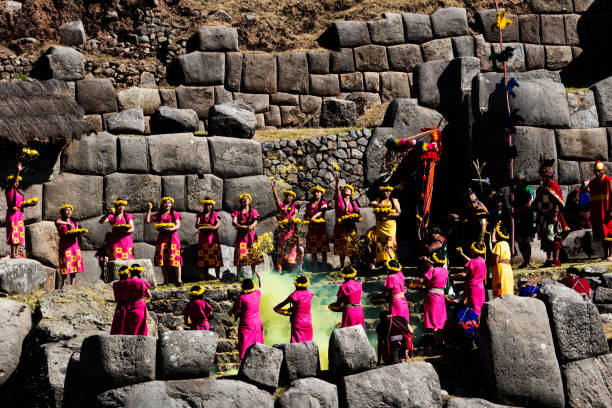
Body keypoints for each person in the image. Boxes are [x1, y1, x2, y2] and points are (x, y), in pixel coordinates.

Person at [535, 159, 569, 259]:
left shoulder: (553, 185)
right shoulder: (542, 187)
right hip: (544, 216)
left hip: (553, 215)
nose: (542, 177)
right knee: (546, 239)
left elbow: (557, 201)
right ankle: (549, 258)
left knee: (555, 237)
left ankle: (556, 259)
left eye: (543, 175)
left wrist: (555, 215)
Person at [145, 197, 183, 286]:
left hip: (173, 238)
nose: (167, 204)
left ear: (171, 204)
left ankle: (179, 280)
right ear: (162, 204)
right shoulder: (159, 214)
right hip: (162, 239)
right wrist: (149, 210)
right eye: (165, 203)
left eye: (169, 203)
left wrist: (171, 229)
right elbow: (147, 221)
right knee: (163, 259)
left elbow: (178, 225)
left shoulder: (174, 214)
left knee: (176, 259)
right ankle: (165, 281)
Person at [4, 162, 37, 259]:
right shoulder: (9, 190)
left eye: (18, 181)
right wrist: (18, 172)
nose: (16, 182)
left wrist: (29, 204)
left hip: (19, 214)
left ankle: (17, 252)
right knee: (13, 232)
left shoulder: (18, 192)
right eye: (15, 181)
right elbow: (13, 180)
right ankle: (13, 253)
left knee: (19, 233)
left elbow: (21, 204)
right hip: (12, 214)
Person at [229, 270, 264, 359]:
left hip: (246, 324)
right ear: (253, 286)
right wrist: (259, 277)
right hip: (257, 322)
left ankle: (244, 360)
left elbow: (234, 310)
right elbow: (261, 287)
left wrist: (231, 314)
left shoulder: (241, 298)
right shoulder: (257, 293)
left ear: (243, 287)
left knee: (245, 341)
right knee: (258, 341)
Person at [271, 179, 300, 274]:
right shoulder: (281, 205)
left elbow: (295, 213)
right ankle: (280, 270)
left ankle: (291, 271)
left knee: (291, 250)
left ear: (293, 197)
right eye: (287, 196)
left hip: (291, 231)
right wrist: (273, 188)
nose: (288, 197)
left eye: (290, 196)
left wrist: (293, 217)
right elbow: (276, 199)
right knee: (281, 250)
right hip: (282, 231)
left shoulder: (295, 206)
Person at [368, 185, 401, 268]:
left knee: (389, 240)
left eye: (387, 191)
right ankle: (381, 260)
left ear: (390, 192)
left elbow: (399, 212)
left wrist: (390, 214)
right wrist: (378, 205)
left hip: (390, 224)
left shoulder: (394, 201)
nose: (385, 193)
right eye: (384, 191)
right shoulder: (379, 200)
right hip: (381, 224)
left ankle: (391, 259)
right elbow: (370, 203)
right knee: (380, 242)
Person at [274, 274, 314, 343]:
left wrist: (280, 310)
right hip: (308, 322)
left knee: (296, 345)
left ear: (296, 284)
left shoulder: (294, 295)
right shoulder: (310, 294)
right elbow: (302, 305)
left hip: (298, 323)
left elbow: (278, 307)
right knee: (308, 344)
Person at [232, 193, 263, 276]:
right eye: (243, 199)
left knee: (252, 254)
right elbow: (234, 221)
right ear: (241, 202)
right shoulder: (237, 212)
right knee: (241, 255)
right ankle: (238, 275)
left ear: (249, 201)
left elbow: (256, 220)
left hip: (251, 235)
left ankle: (253, 274)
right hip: (241, 236)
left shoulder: (253, 211)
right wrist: (239, 226)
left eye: (246, 198)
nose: (245, 200)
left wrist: (252, 226)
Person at [333, 173, 361, 268]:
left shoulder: (353, 203)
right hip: (340, 227)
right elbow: (337, 192)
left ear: (351, 192)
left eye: (348, 189)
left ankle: (354, 266)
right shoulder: (339, 200)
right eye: (344, 189)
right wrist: (337, 183)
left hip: (351, 227)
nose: (346, 190)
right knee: (342, 246)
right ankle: (342, 266)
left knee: (353, 246)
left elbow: (358, 213)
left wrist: (358, 218)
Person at [586, 160, 612, 260]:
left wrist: (611, 210)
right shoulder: (592, 183)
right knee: (601, 234)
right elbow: (591, 198)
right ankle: (605, 254)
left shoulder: (609, 181)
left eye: (599, 171)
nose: (597, 173)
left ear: (603, 171)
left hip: (607, 211)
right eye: (596, 171)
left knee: (609, 233)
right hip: (597, 212)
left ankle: (611, 255)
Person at [55, 204, 85, 287]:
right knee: (65, 262)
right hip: (65, 244)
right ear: (63, 212)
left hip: (74, 244)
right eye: (66, 210)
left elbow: (77, 232)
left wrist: (79, 233)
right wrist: (67, 223)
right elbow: (57, 222)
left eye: (70, 210)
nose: (68, 212)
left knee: (74, 263)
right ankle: (63, 284)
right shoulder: (60, 220)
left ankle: (72, 284)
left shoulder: (74, 222)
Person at [421, 256, 448, 345]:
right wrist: (427, 260)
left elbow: (423, 280)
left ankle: (437, 343)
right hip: (441, 296)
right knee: (440, 319)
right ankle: (442, 341)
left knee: (433, 320)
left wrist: (416, 281)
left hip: (432, 297)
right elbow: (436, 264)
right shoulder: (445, 271)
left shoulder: (432, 270)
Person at [511, 171, 536, 268]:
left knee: (526, 240)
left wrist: (518, 210)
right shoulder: (515, 190)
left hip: (527, 218)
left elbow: (530, 203)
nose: (517, 182)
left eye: (518, 180)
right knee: (519, 240)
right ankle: (524, 261)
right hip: (518, 218)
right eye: (516, 180)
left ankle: (527, 262)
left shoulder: (527, 189)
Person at [454, 243, 487, 315]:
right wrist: (462, 254)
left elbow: (463, 274)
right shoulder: (482, 261)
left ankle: (473, 324)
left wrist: (452, 276)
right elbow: (471, 262)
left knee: (473, 307)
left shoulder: (473, 262)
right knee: (480, 307)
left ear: (474, 252)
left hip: (473, 288)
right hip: (481, 287)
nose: (471, 252)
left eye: (471, 251)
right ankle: (479, 323)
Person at [195, 199, 223, 280]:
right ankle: (205, 276)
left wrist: (214, 227)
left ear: (212, 206)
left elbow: (218, 222)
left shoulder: (215, 214)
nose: (208, 206)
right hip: (203, 238)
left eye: (210, 205)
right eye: (207, 205)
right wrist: (205, 225)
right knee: (204, 257)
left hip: (213, 238)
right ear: (204, 206)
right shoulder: (200, 215)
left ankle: (217, 276)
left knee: (215, 257)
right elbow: (197, 224)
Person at [305, 186, 330, 271]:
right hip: (312, 228)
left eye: (318, 192)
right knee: (313, 249)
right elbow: (306, 214)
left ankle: (324, 267)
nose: (316, 193)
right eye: (315, 192)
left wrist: (313, 217)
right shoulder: (309, 204)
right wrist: (306, 217)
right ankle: (315, 268)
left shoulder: (324, 203)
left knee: (323, 249)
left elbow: (321, 211)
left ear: (321, 193)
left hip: (320, 227)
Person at [123, 264, 152, 335]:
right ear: (139, 272)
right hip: (139, 305)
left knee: (129, 327)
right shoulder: (142, 282)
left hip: (128, 306)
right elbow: (149, 295)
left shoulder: (125, 282)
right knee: (140, 327)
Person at [381, 260, 410, 324]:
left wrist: (380, 297)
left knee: (397, 322)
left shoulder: (390, 277)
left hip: (396, 303)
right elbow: (397, 263)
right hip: (403, 301)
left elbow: (385, 294)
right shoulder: (400, 274)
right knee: (404, 322)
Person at [490, 224, 513, 298]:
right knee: (507, 287)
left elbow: (496, 260)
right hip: (508, 268)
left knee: (500, 288)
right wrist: (494, 228)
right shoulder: (506, 244)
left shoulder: (498, 245)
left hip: (500, 269)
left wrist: (488, 264)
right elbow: (493, 240)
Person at [110, 266, 130, 335]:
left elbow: (116, 298)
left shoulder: (115, 284)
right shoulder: (130, 283)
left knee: (118, 327)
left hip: (119, 307)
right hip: (129, 307)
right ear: (128, 274)